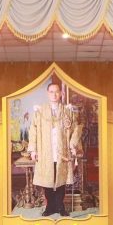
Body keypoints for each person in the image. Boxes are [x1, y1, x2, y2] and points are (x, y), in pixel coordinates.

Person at [27, 81, 81, 217]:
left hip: (62, 152)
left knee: (61, 179)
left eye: (57, 92)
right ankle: (50, 206)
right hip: (46, 151)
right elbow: (33, 130)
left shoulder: (67, 111)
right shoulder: (40, 111)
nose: (54, 94)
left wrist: (73, 145)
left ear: (61, 94)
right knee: (48, 180)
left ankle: (60, 207)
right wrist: (33, 150)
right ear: (48, 93)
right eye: (51, 92)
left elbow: (75, 129)